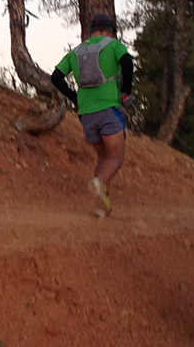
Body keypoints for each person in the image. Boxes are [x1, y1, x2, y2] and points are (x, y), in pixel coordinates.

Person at [52, 13, 134, 216]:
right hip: (108, 109)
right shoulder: (114, 45)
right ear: (108, 31)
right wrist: (126, 90)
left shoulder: (76, 52)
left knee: (103, 158)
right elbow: (127, 63)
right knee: (116, 157)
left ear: (91, 32)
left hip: (86, 112)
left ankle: (100, 208)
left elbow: (56, 77)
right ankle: (98, 183)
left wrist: (75, 97)